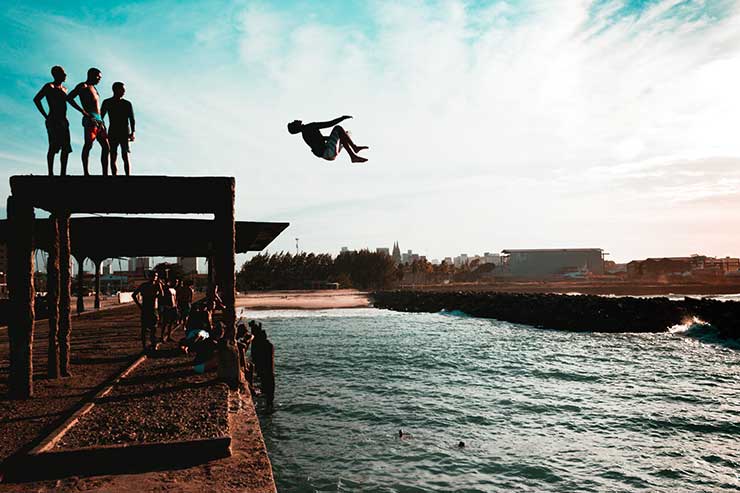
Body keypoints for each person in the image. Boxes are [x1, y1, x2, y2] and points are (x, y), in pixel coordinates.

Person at [66, 67, 110, 176]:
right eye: (98, 77)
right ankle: (86, 172)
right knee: (89, 144)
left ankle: (105, 174)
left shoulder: (94, 88)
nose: (99, 79)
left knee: (106, 146)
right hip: (90, 119)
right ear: (91, 75)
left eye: (100, 78)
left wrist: (102, 121)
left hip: (99, 120)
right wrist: (83, 112)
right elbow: (69, 98)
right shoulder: (83, 86)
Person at [33, 65, 72, 176]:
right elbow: (36, 99)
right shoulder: (49, 86)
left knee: (66, 147)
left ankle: (63, 173)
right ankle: (51, 173)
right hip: (53, 119)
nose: (65, 75)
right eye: (63, 73)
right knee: (53, 146)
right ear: (56, 74)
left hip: (64, 120)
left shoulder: (65, 89)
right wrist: (46, 115)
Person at [287, 115, 368, 163]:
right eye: (293, 122)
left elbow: (320, 139)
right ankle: (354, 151)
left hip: (328, 156)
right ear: (296, 127)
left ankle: (354, 152)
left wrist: (339, 136)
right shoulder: (309, 127)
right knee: (338, 128)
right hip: (328, 151)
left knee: (346, 134)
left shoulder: (305, 134)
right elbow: (329, 124)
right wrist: (342, 118)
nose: (295, 120)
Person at [100, 82, 135, 176]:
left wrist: (133, 132)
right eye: (122, 89)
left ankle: (127, 175)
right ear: (116, 90)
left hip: (124, 131)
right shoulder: (107, 102)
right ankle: (114, 176)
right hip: (113, 131)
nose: (124, 91)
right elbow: (100, 117)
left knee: (125, 155)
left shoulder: (127, 103)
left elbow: (131, 118)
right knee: (113, 155)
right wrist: (103, 129)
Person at [132, 270, 164, 350]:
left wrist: (160, 287)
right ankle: (144, 346)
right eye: (153, 276)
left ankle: (153, 344)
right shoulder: (144, 285)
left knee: (154, 328)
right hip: (146, 309)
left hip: (154, 309)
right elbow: (134, 295)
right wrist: (139, 305)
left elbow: (162, 295)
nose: (154, 277)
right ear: (149, 277)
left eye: (156, 276)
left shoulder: (157, 285)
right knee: (144, 328)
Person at [251, 323, 275, 410]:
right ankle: (269, 408)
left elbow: (256, 357)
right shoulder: (269, 345)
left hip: (264, 372)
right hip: (268, 372)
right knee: (269, 395)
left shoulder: (262, 346)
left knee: (266, 392)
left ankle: (267, 407)